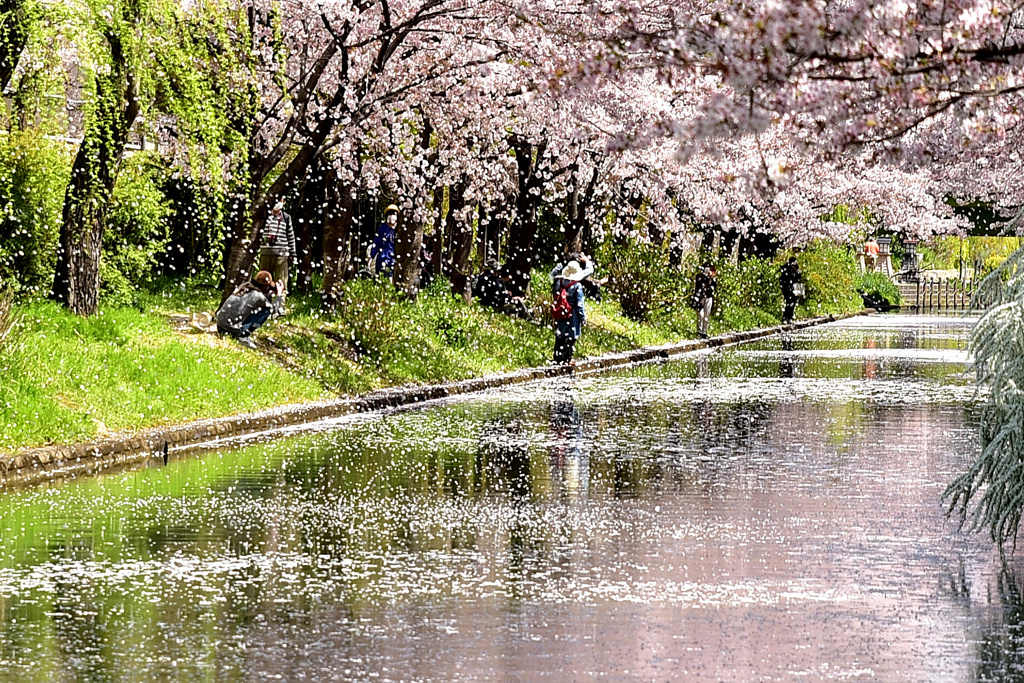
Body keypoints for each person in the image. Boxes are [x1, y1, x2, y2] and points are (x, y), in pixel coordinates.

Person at [216, 270, 284, 348]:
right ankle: (243, 336)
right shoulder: (258, 296)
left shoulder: (244, 287)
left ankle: (239, 332)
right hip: (231, 330)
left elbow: (250, 301)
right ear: (266, 287)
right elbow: (273, 310)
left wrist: (270, 292)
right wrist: (279, 294)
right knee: (266, 311)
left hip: (220, 326)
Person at [259, 201, 295, 311]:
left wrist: (293, 253)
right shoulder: (264, 216)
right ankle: (263, 305)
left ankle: (280, 306)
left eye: (281, 200)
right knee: (263, 281)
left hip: (281, 254)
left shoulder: (286, 217)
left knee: (281, 282)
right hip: (265, 253)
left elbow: (291, 236)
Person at [552, 260, 587, 365]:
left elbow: (555, 296)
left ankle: (558, 357)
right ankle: (567, 358)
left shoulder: (559, 282)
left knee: (560, 335)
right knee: (571, 336)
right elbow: (579, 304)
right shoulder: (577, 286)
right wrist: (582, 318)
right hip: (572, 314)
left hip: (561, 311)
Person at [370, 204, 399, 277]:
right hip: (383, 258)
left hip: (394, 260)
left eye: (393, 213)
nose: (391, 216)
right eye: (389, 213)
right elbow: (377, 242)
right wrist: (371, 256)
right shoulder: (382, 228)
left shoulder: (398, 229)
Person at [692, 262, 717, 339]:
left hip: (709, 297)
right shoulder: (700, 277)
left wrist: (711, 278)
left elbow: (713, 287)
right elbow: (699, 286)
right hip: (701, 298)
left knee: (707, 315)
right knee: (700, 314)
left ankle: (704, 332)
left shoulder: (712, 279)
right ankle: (699, 331)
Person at [780, 256, 802, 324]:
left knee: (792, 303)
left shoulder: (795, 268)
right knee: (789, 302)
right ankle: (786, 317)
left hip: (793, 287)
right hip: (788, 287)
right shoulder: (787, 268)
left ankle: (789, 317)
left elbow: (798, 277)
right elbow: (785, 278)